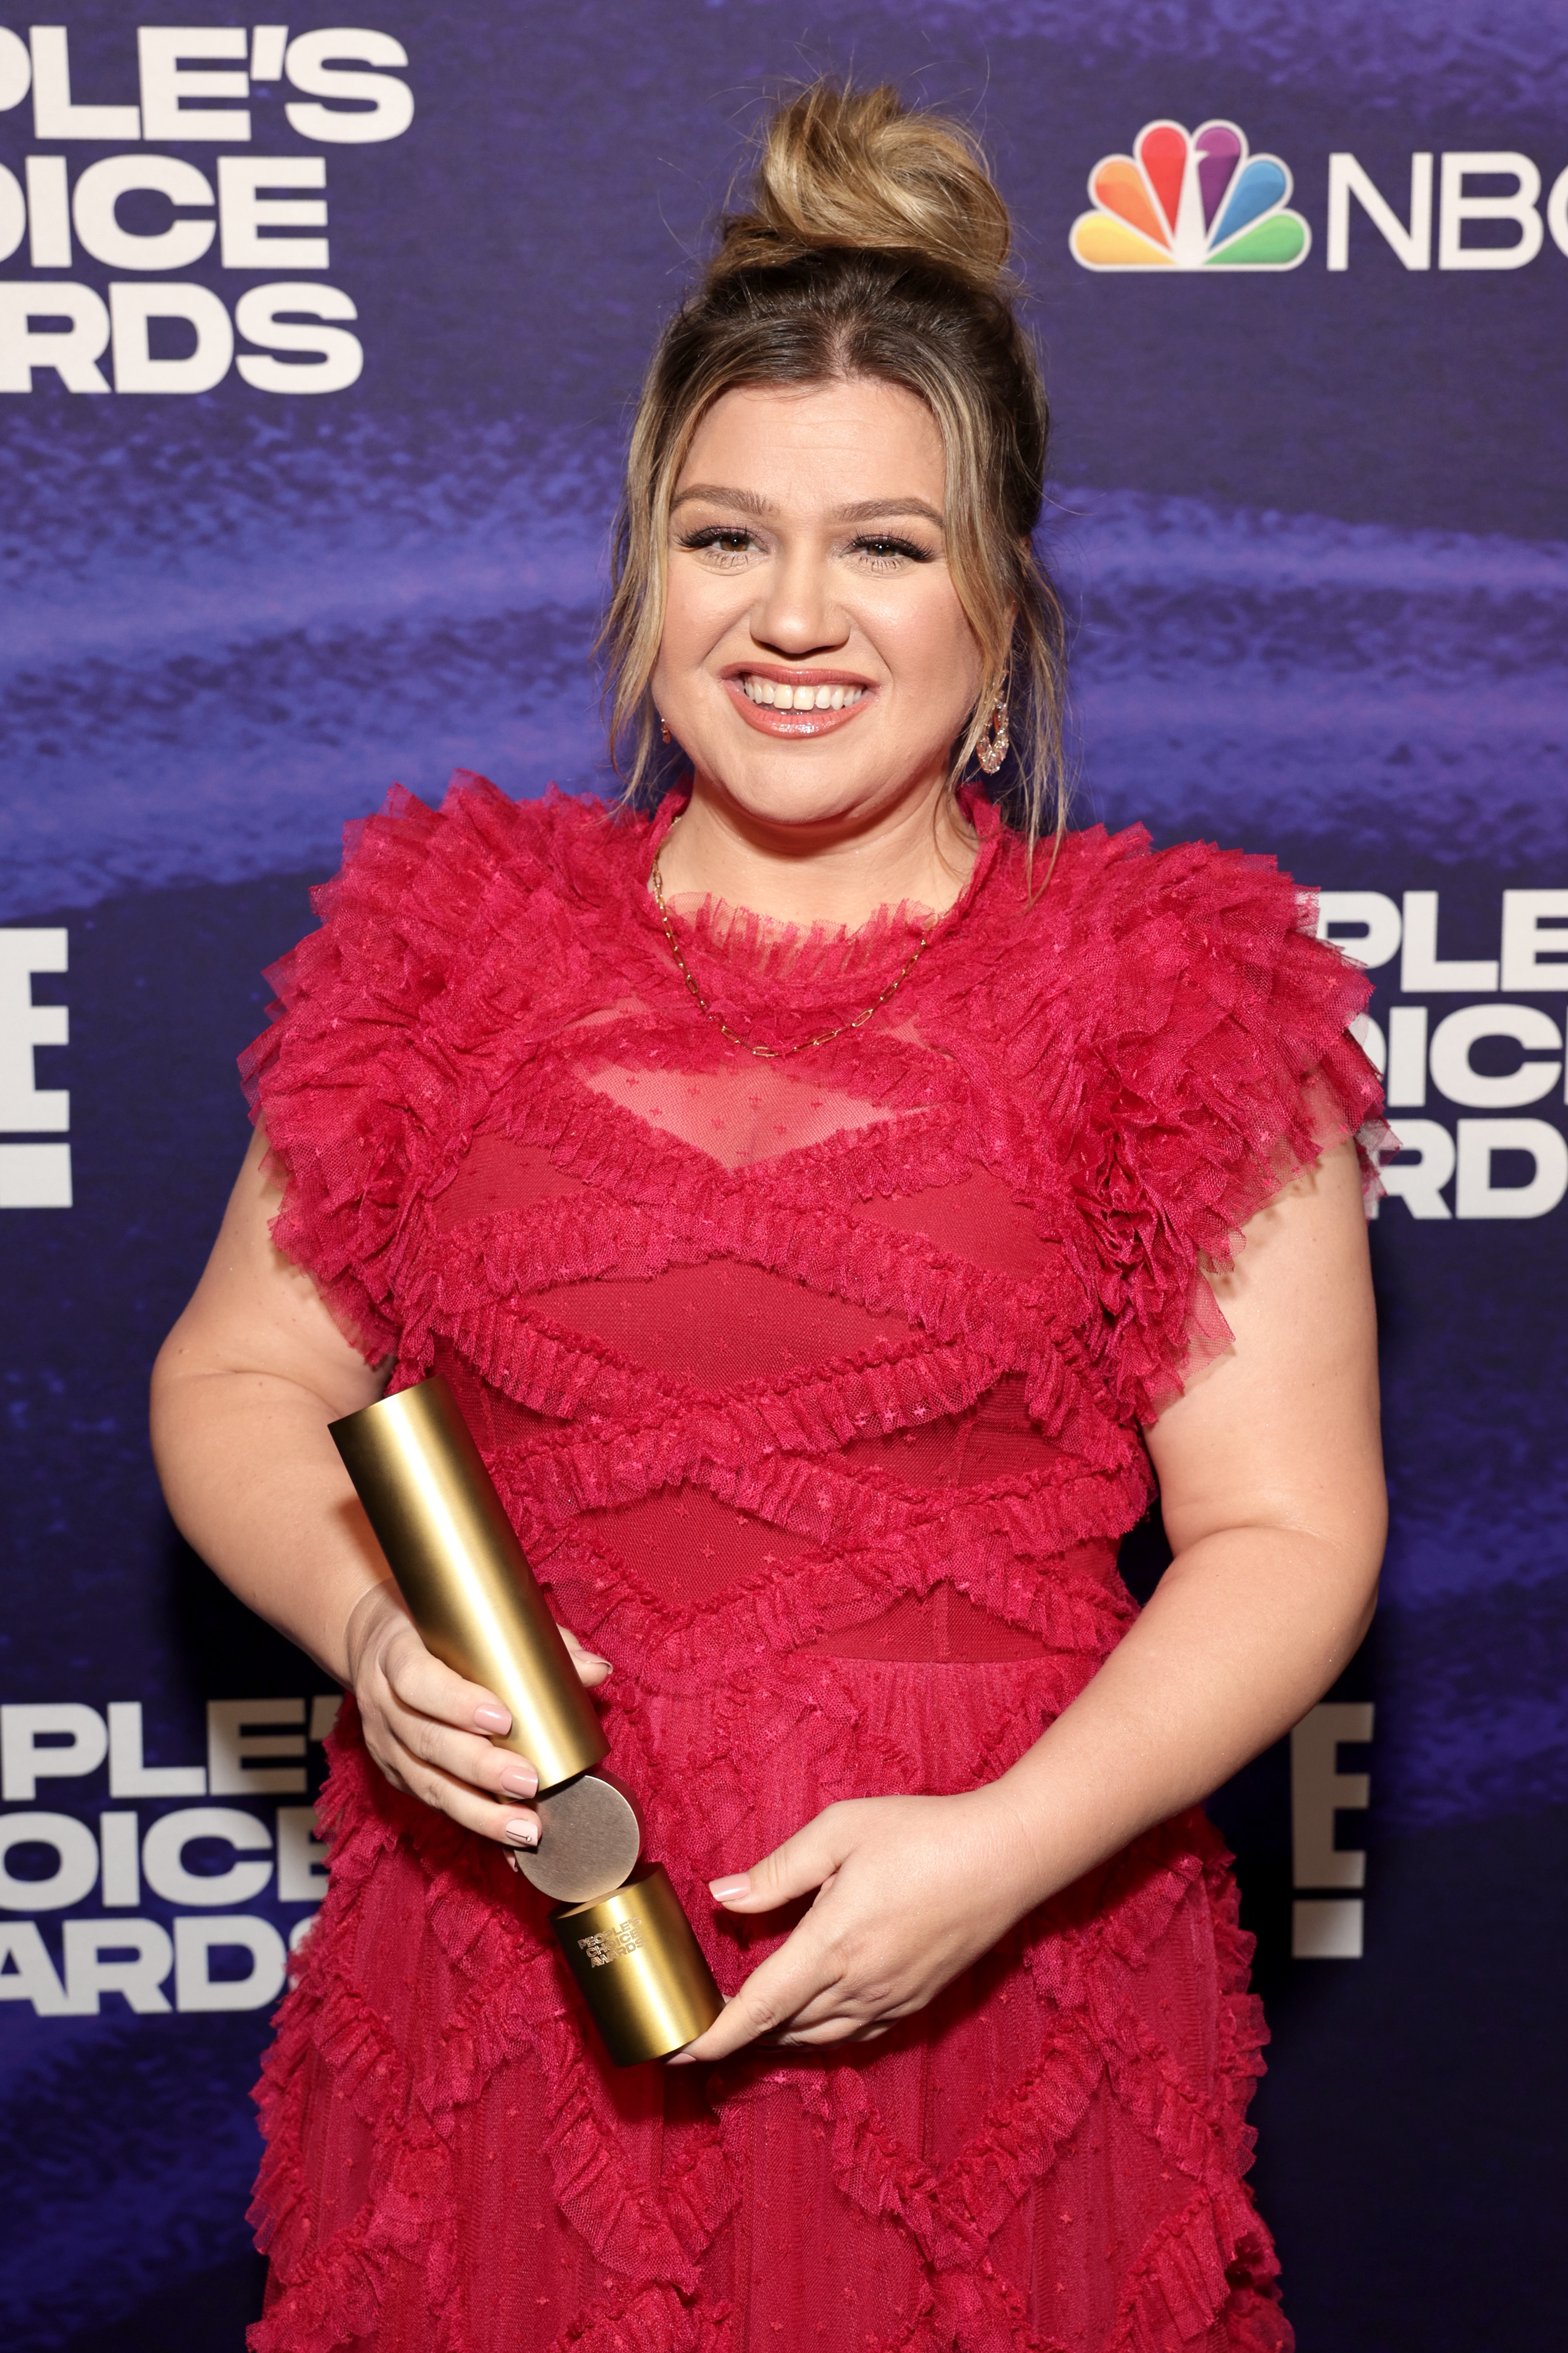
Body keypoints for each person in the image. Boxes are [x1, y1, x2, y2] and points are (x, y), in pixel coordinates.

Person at [152, 79, 1386, 2353]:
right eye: (726, 539)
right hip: (510, 1981)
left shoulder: (1174, 997)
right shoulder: (440, 947)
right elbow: (241, 1371)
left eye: (885, 548)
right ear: (644, 579)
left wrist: (994, 1867)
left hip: (984, 1998)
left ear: (997, 608)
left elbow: (1286, 1537)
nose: (793, 615)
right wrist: (360, 1636)